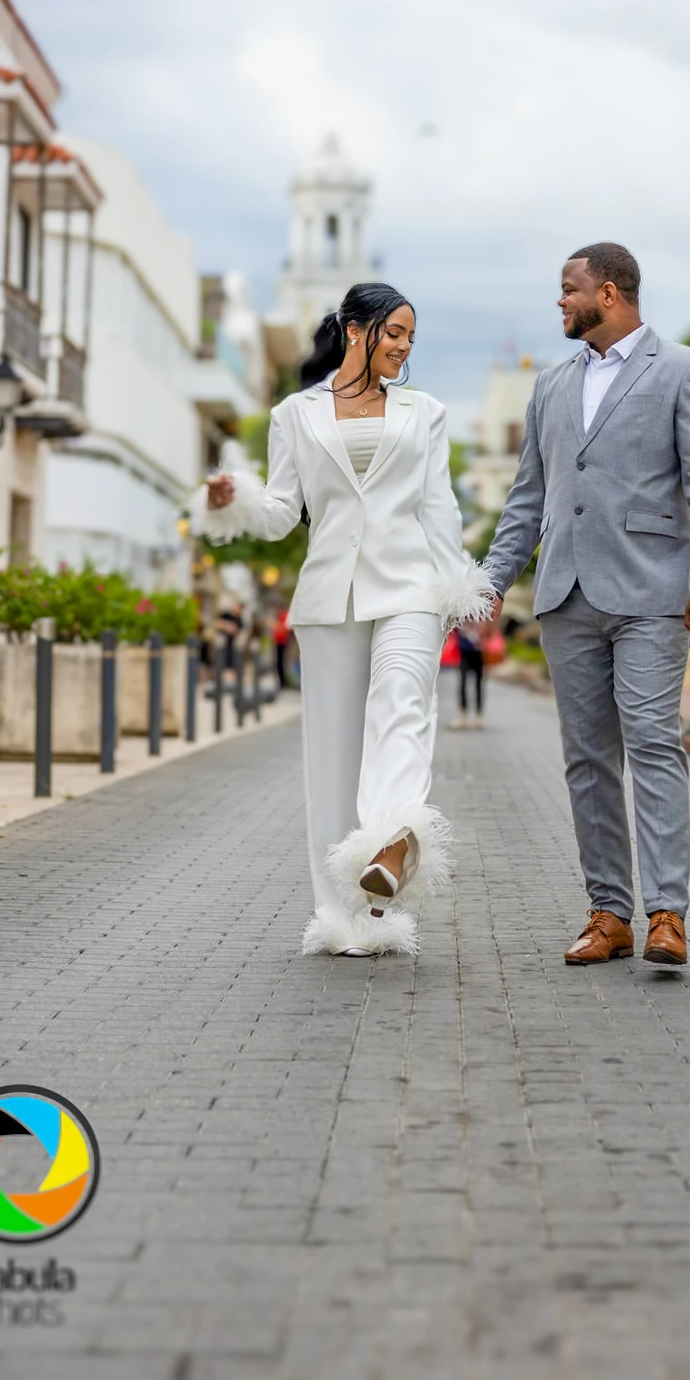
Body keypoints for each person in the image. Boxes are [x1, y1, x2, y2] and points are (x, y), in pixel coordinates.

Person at [191, 282, 493, 957]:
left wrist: (460, 586)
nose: (405, 347)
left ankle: (390, 841)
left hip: (411, 585)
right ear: (355, 329)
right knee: (331, 755)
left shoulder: (426, 412)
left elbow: (438, 505)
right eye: (395, 333)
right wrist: (229, 495)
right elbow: (278, 514)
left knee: (402, 706)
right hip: (329, 598)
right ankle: (344, 916)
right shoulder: (294, 415)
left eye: (412, 337)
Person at [484, 243, 690, 969]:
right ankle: (608, 912)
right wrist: (490, 582)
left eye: (568, 289)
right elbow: (526, 498)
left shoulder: (685, 370)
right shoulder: (550, 386)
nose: (559, 302)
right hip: (567, 596)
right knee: (587, 759)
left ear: (610, 290)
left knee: (652, 741)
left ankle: (667, 912)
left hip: (652, 595)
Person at [450, 619, 486, 730]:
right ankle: (463, 715)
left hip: (478, 650)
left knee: (478, 684)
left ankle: (478, 716)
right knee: (463, 683)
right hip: (464, 650)